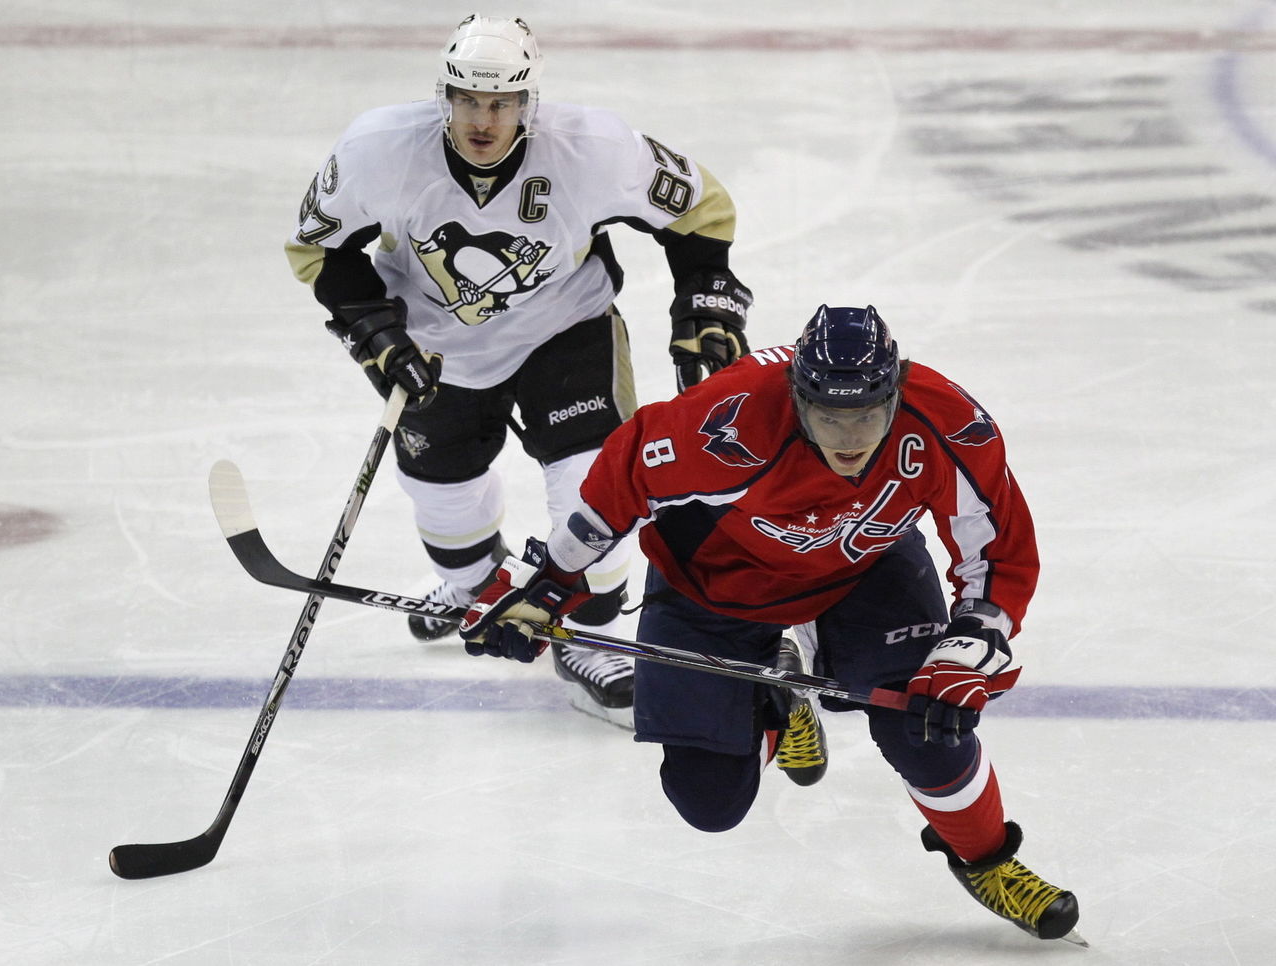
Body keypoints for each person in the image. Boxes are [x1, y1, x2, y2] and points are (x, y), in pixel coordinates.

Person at [459, 304, 1083, 942]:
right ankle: (779, 701)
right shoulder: (722, 422)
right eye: (829, 417)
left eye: (867, 415)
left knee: (924, 722)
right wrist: (548, 589)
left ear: (895, 396)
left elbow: (998, 550)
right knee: (708, 801)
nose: (849, 438)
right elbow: (620, 484)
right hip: (715, 584)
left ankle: (988, 862)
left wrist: (974, 642)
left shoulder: (946, 424)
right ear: (797, 397)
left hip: (863, 570)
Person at [283, 14, 752, 728]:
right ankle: (477, 586)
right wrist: (372, 326)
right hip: (436, 346)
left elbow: (699, 209)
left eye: (501, 102)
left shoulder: (593, 147)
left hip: (563, 329)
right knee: (442, 496)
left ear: (529, 102)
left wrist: (704, 301)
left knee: (596, 482)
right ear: (443, 95)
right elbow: (320, 249)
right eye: (468, 99)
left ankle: (587, 632)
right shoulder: (378, 148)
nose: (484, 119)